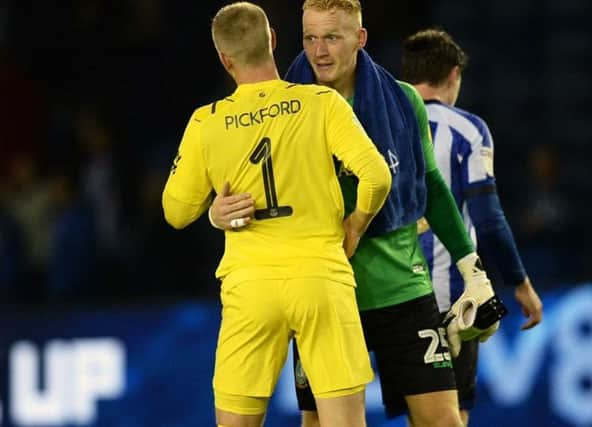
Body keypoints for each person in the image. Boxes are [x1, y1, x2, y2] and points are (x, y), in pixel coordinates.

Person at [210, 2, 507, 427]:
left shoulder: (403, 101)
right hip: (324, 296)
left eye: (332, 37)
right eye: (311, 38)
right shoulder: (272, 110)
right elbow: (238, 188)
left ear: (360, 38)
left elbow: (432, 186)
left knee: (443, 421)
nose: (319, 51)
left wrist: (471, 268)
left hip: (402, 289)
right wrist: (217, 214)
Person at [161, 3, 393, 427]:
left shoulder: (205, 123)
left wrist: (215, 214)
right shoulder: (320, 102)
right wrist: (356, 224)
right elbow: (377, 177)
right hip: (320, 279)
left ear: (224, 59)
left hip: (250, 287)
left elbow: (175, 212)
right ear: (272, 39)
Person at [401, 27, 544, 426]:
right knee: (451, 415)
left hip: (390, 296)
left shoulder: (381, 127)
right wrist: (520, 283)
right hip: (451, 301)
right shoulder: (466, 130)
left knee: (415, 414)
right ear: (453, 75)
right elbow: (487, 216)